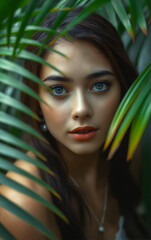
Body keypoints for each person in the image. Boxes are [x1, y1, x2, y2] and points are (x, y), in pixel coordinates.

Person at [0, 7, 150, 240]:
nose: (81, 109)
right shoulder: (24, 201)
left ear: (123, 89)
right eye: (59, 90)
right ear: (37, 102)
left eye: (99, 86)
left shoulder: (129, 155)